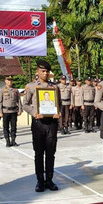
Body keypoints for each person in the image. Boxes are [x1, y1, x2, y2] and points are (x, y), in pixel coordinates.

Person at [22, 60, 61, 192]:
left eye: (47, 71)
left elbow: (59, 104)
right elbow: (25, 104)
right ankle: (40, 181)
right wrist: (34, 113)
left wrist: (58, 112)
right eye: (43, 71)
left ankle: (49, 180)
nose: (45, 73)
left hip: (51, 124)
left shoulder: (54, 87)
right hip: (38, 124)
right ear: (37, 72)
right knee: (39, 154)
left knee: (51, 153)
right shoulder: (31, 86)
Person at [0, 75, 22, 147]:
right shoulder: (1, 90)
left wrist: (20, 109)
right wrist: (0, 111)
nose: (10, 82)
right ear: (5, 81)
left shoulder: (15, 90)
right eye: (8, 80)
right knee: (6, 127)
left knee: (14, 127)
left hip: (14, 111)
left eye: (11, 80)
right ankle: (7, 141)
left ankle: (13, 141)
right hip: (5, 111)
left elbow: (19, 101)